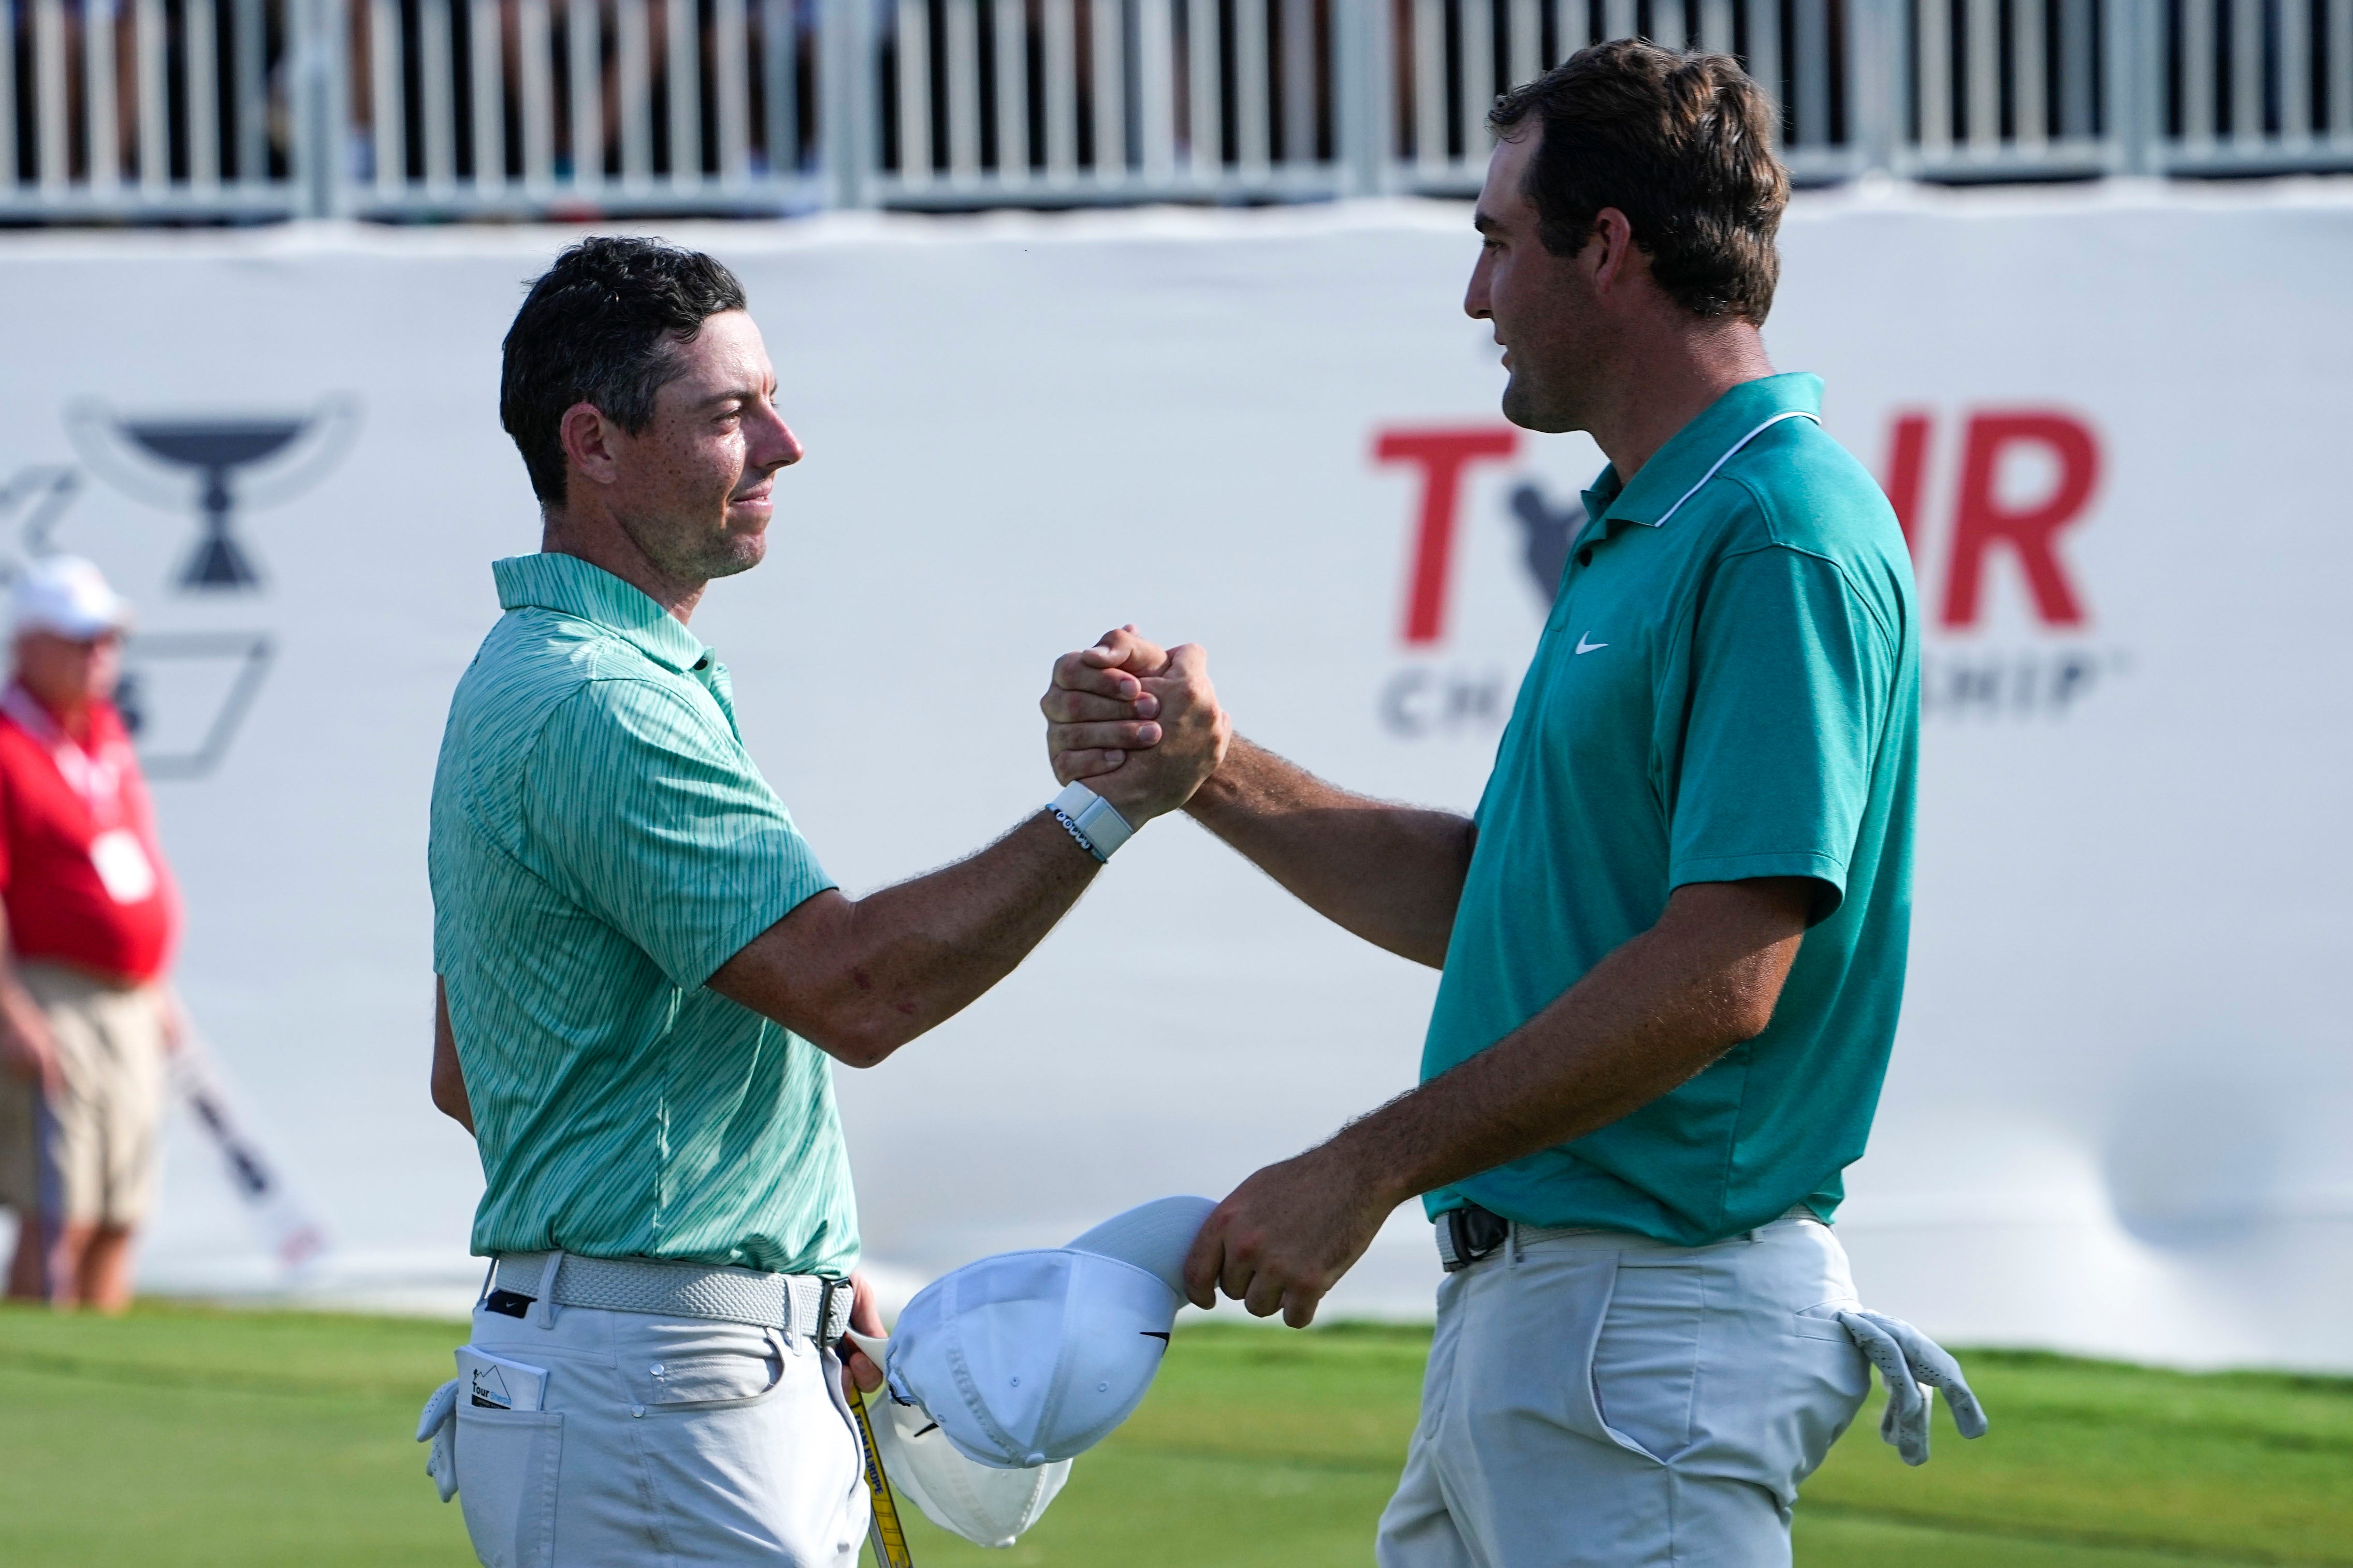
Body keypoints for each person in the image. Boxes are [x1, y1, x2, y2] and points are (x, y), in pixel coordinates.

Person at [1048, 40, 1926, 1567]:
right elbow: (1502, 907)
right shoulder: (1655, 520)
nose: (1476, 300)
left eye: (1495, 246)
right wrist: (1206, 771)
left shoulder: (1776, 527)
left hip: (1644, 1327)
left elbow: (1725, 971)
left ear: (1609, 250)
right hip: (1561, 1330)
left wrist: (1365, 1162)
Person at [425, 235, 1226, 1566]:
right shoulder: (601, 700)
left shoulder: (560, 672)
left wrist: (771, 1261)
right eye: (730, 414)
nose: (785, 446)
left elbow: (475, 1074)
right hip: (665, 1404)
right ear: (595, 443)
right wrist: (1110, 807)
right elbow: (856, 990)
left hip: (656, 1378)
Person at [0, 556, 182, 1312]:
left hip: (131, 1000)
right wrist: (9, 1007)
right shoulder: (9, 742)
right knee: (58, 1213)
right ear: (30, 645)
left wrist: (158, 985)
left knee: (119, 1208)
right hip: (52, 996)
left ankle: (106, 1371)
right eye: (80, 641)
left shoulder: (102, 733)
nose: (99, 656)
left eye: (106, 641)